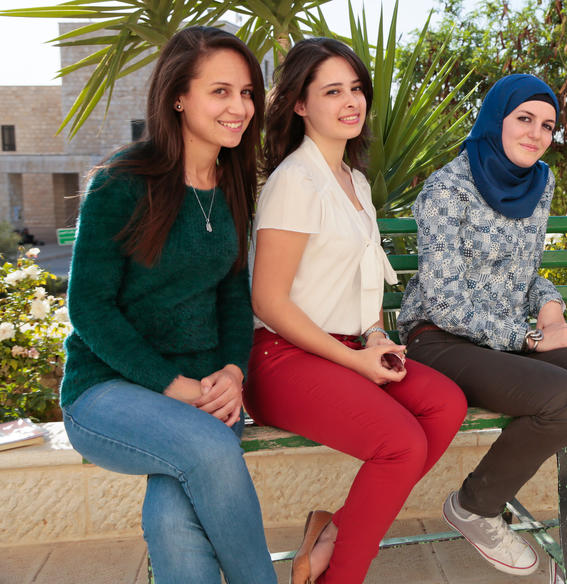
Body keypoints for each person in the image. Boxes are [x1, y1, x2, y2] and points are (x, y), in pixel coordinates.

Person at [397, 74, 567, 584]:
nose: (536, 135)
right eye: (524, 120)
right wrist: (533, 339)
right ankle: (474, 505)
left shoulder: (539, 181)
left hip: (507, 339)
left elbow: (521, 270)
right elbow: (444, 302)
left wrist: (550, 307)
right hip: (440, 338)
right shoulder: (446, 190)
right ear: (496, 119)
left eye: (548, 125)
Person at [244, 38, 467, 584]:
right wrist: (353, 361)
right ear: (299, 104)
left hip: (345, 348)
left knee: (445, 404)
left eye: (357, 89)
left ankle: (332, 533)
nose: (351, 102)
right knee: (400, 444)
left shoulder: (356, 181)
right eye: (332, 91)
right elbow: (267, 301)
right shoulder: (294, 181)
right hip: (282, 358)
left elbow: (358, 286)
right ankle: (339, 573)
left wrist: (372, 339)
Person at [59, 27, 274, 584]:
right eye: (221, 91)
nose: (239, 108)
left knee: (175, 523)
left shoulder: (231, 180)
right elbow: (89, 308)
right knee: (209, 451)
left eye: (247, 93)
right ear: (179, 95)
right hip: (107, 389)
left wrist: (232, 370)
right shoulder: (123, 181)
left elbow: (231, 293)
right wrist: (172, 385)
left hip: (205, 390)